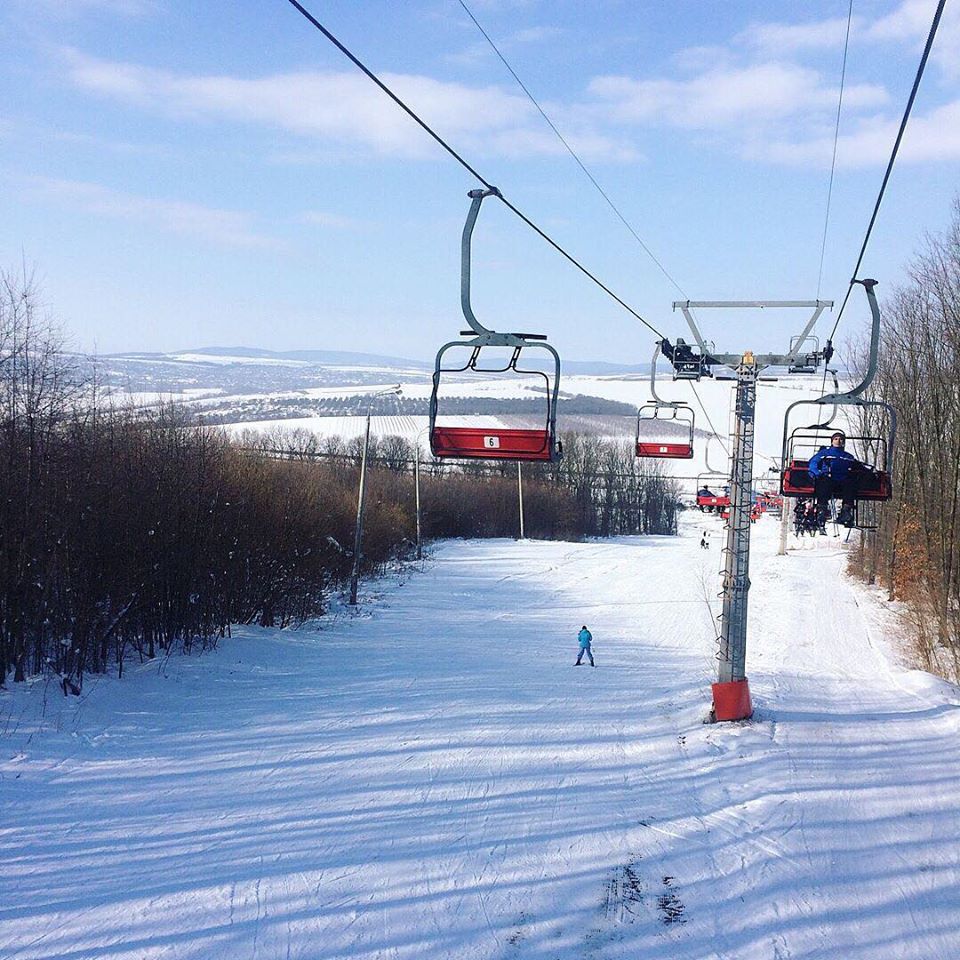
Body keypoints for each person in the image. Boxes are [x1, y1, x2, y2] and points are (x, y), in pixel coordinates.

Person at [807, 430, 861, 527]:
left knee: (851, 483)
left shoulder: (848, 456)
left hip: (842, 479)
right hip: (828, 478)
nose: (838, 441)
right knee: (823, 483)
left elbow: (858, 466)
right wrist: (817, 473)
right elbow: (813, 463)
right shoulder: (824, 453)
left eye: (841, 439)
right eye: (836, 439)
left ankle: (846, 511)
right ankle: (822, 510)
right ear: (832, 441)